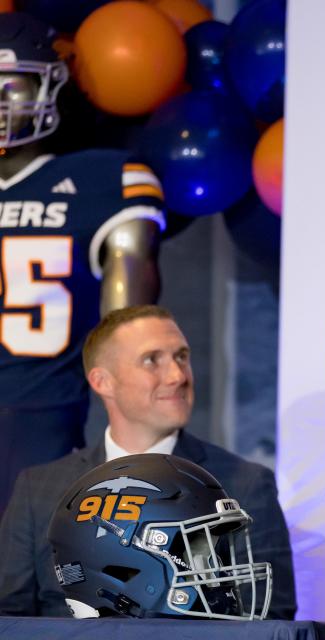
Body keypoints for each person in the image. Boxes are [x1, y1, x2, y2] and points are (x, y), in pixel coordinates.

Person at [0, 305, 297, 619]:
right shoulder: (39, 488)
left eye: (181, 356)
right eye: (151, 360)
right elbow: (8, 617)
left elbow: (271, 620)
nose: (178, 375)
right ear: (103, 381)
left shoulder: (246, 484)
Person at [0, 12, 165, 516]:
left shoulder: (101, 180)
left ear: (50, 87)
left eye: (13, 85)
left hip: (35, 428)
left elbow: (129, 337)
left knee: (28, 585)